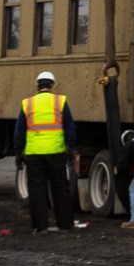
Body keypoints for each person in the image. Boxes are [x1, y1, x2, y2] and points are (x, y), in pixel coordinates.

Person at [14, 70, 87, 233]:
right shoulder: (60, 102)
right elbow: (69, 127)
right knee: (60, 187)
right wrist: (70, 147)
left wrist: (18, 153)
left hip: (34, 154)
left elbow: (19, 131)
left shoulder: (28, 104)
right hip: (56, 152)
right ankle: (65, 224)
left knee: (37, 189)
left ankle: (40, 227)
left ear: (37, 86)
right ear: (52, 85)